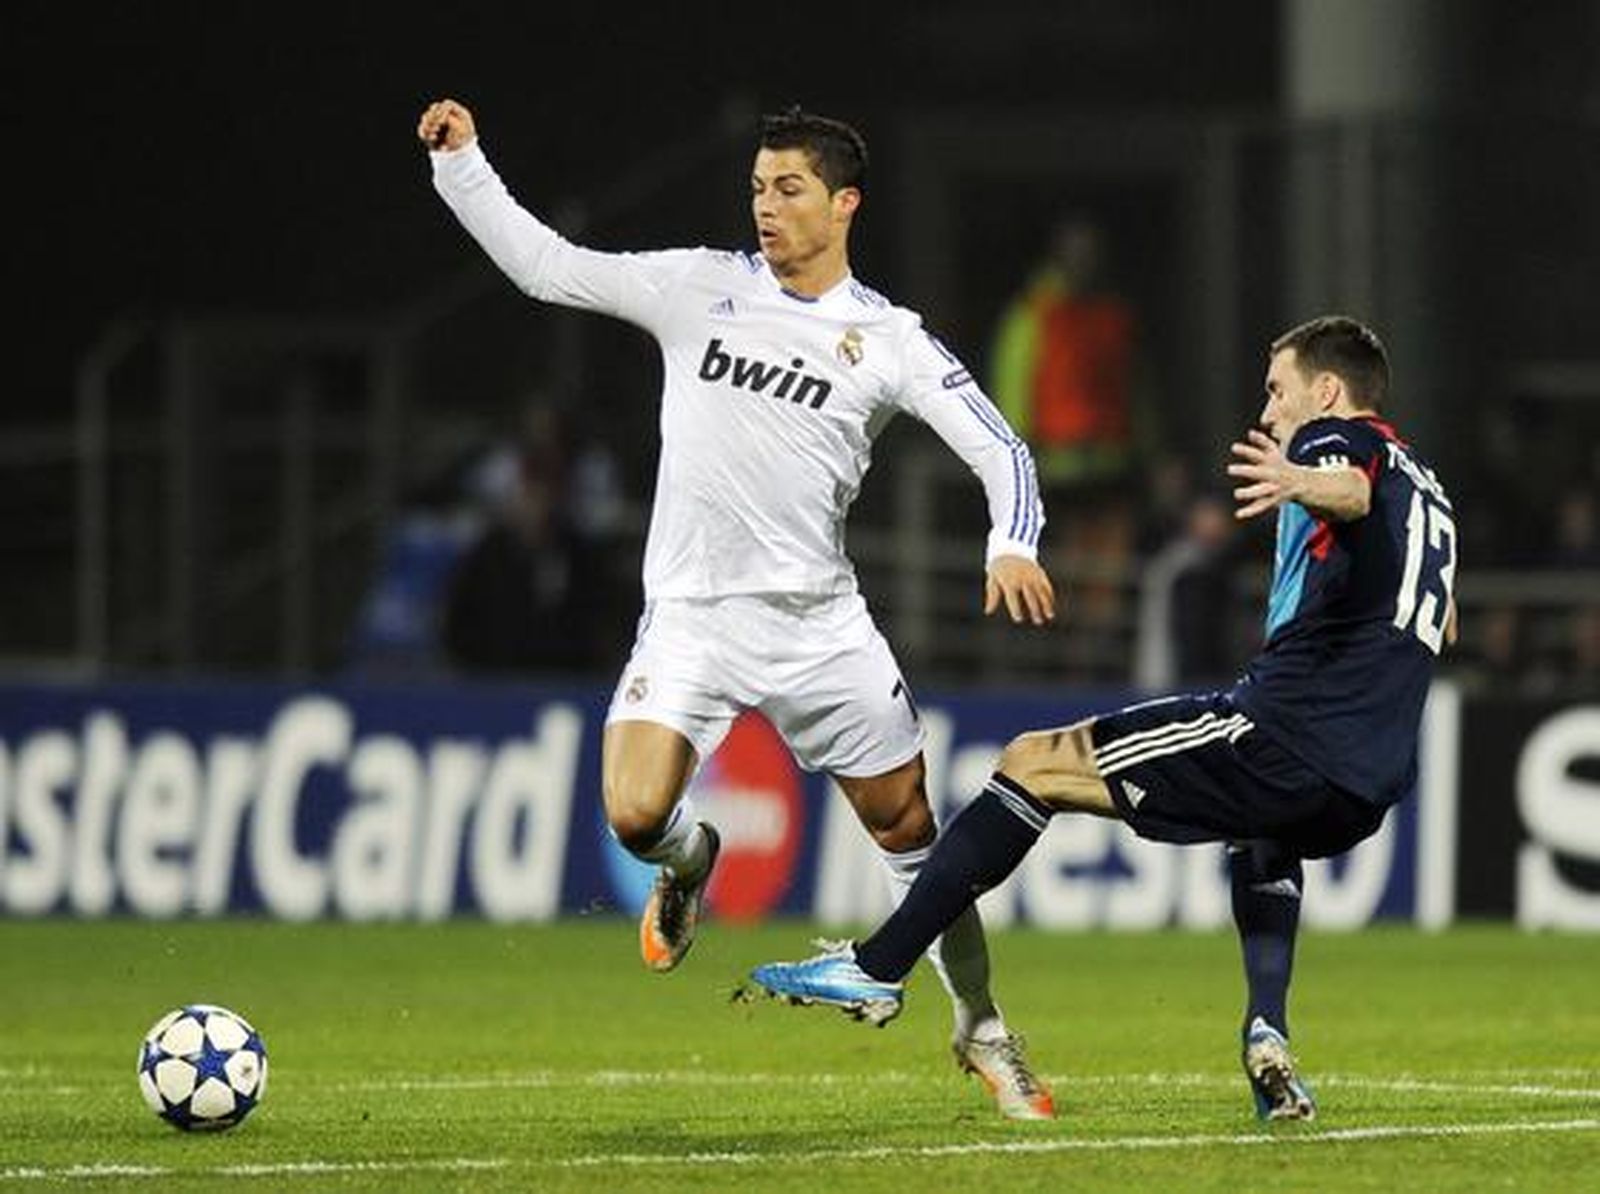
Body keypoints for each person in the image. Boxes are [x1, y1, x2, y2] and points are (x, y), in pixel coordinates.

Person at [418, 99, 1059, 1119]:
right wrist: (464, 165)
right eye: (758, 187)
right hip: (691, 620)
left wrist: (1010, 539)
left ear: (843, 203)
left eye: (788, 188)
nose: (765, 206)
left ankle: (982, 1029)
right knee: (633, 813)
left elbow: (1001, 448)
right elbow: (547, 265)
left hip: (819, 628)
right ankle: (689, 859)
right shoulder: (698, 286)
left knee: (914, 837)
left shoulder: (885, 338)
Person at [751, 315, 1460, 1122]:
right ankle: (1268, 1036)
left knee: (1031, 762)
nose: (1267, 414)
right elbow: (1440, 618)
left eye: (1277, 391)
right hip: (1366, 782)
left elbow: (1349, 486)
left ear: (1327, 391)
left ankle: (879, 964)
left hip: (1285, 733)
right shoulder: (1429, 491)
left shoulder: (1334, 440)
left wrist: (1303, 482)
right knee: (1265, 836)